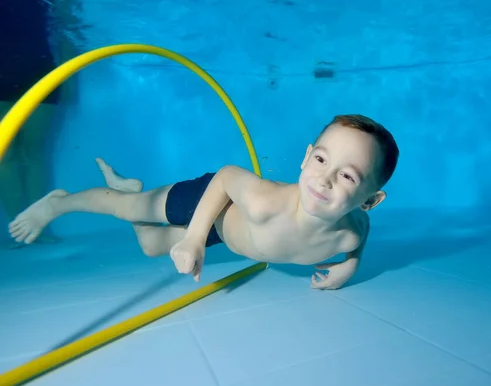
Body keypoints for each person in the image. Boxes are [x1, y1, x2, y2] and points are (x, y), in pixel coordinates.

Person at [8, 115, 399, 289]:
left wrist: (349, 268)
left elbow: (359, 239)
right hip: (212, 200)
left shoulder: (349, 234)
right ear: (306, 156)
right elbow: (228, 176)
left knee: (149, 246)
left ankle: (128, 186)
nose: (325, 178)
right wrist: (194, 237)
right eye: (320, 159)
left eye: (348, 176)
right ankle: (59, 203)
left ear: (369, 201)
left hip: (226, 234)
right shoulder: (267, 203)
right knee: (129, 209)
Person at [0, 0, 77, 247]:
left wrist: (69, 79)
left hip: (39, 72)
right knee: (7, 156)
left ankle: (37, 228)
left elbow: (67, 29)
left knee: (33, 153)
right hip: (16, 72)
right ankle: (20, 231)